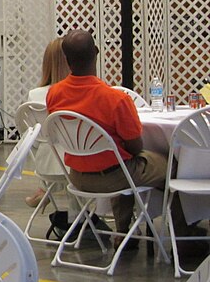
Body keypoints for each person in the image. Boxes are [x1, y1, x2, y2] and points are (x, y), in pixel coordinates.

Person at [46, 29, 196, 251]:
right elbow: (136, 146)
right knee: (171, 167)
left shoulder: (54, 94)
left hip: (77, 176)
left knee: (121, 163)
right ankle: (182, 237)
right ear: (96, 52)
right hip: (114, 176)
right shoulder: (115, 99)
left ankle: (124, 233)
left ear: (66, 59)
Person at [25, 37, 69, 208]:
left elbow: (33, 140)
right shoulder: (78, 94)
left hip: (45, 165)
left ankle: (44, 190)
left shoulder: (34, 96)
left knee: (51, 148)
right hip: (75, 164)